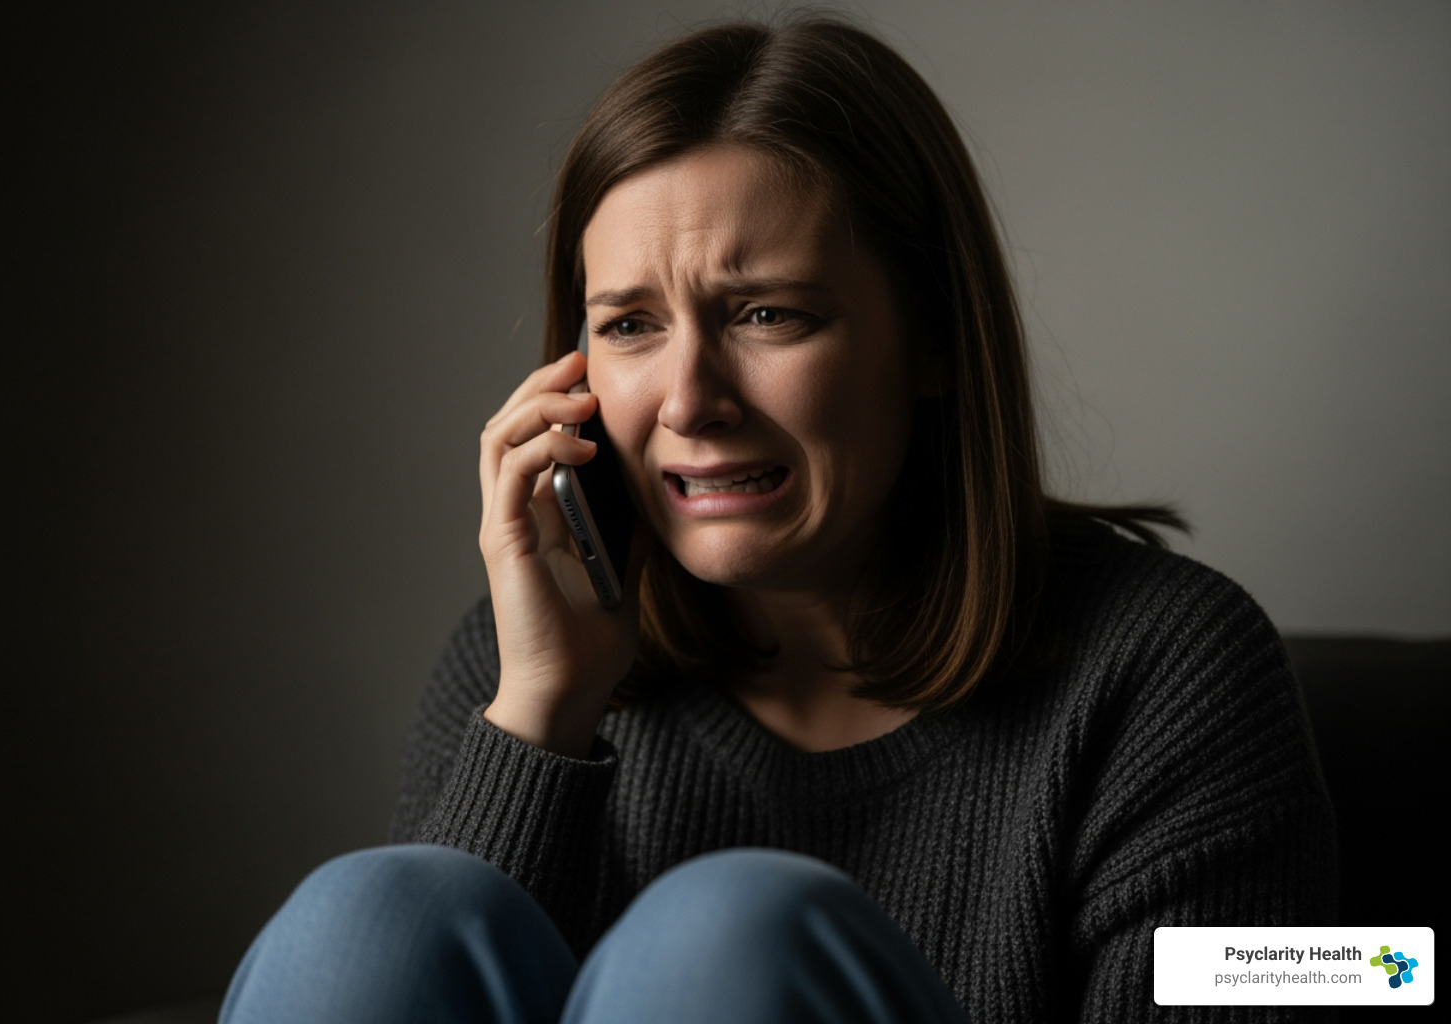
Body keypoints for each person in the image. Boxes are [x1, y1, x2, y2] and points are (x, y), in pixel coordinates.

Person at [220, 15, 1335, 1024]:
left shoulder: (1167, 668)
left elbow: (1346, 977)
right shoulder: (514, 661)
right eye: (631, 327)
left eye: (767, 314)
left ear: (935, 339)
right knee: (370, 912)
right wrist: (540, 720)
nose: (691, 399)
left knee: (727, 937)